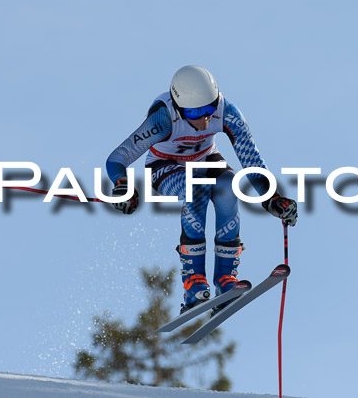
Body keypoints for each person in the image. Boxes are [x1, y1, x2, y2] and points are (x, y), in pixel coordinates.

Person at [105, 65, 297, 312]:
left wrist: (272, 198)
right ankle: (193, 282)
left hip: (207, 160)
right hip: (166, 166)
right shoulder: (164, 118)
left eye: (209, 107)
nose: (205, 118)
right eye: (195, 112)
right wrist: (123, 186)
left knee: (230, 186)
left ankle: (225, 279)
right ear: (179, 107)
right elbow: (117, 158)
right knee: (198, 189)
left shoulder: (227, 112)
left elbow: (251, 159)